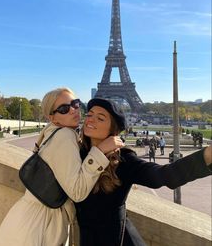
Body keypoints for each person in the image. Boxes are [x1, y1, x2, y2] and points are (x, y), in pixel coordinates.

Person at [75, 98, 212, 246]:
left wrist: (207, 156)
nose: (90, 120)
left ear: (113, 129)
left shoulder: (124, 160)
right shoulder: (75, 153)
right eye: (89, 114)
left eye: (100, 118)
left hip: (116, 240)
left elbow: (161, 175)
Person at [0, 88, 123, 246]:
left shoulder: (52, 131)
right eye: (64, 109)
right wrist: (100, 151)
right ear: (53, 118)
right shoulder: (65, 135)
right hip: (39, 226)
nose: (73, 110)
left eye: (75, 104)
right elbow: (77, 192)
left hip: (27, 221)